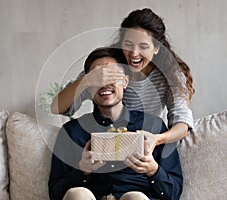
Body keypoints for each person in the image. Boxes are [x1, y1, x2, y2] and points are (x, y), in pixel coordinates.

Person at [51, 8, 195, 150]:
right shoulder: (108, 66)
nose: (134, 53)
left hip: (146, 146)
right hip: (107, 143)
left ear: (156, 48)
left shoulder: (170, 74)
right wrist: (87, 80)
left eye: (143, 46)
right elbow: (57, 107)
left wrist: (156, 139)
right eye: (128, 44)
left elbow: (181, 124)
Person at [48, 47, 183, 200]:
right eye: (97, 78)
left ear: (125, 81)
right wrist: (82, 171)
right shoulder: (72, 132)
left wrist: (153, 170)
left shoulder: (153, 127)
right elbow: (55, 194)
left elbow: (174, 193)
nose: (104, 84)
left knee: (135, 198)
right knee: (77, 194)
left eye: (111, 76)